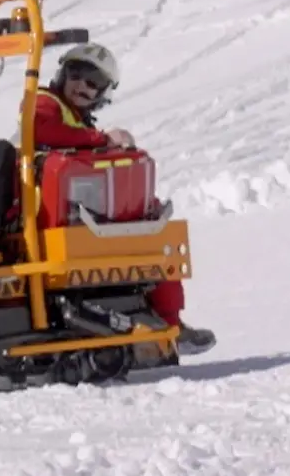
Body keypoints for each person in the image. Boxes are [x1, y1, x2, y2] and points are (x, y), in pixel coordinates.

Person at [34, 43, 216, 355]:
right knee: (156, 239)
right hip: (45, 215)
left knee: (154, 228)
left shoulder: (76, 120)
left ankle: (164, 321)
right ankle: (169, 324)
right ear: (63, 74)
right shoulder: (45, 103)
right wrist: (103, 139)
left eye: (93, 82)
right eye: (76, 74)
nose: (82, 85)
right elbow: (43, 130)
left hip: (69, 214)